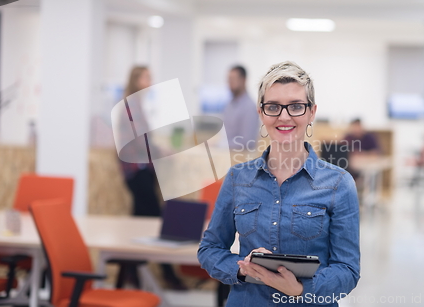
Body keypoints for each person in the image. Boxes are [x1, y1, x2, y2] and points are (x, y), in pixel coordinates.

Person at [198, 61, 360, 306]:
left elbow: (347, 270)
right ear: (261, 113)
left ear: (311, 112)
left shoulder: (339, 183)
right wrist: (243, 268)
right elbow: (209, 249)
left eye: (296, 106)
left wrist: (300, 289)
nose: (284, 117)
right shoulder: (237, 178)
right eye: (273, 107)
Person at [118, 66, 186, 290]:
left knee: (140, 222)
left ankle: (129, 274)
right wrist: (161, 151)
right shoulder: (131, 106)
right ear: (136, 80)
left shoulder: (136, 105)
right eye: (146, 77)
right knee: (156, 220)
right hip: (137, 171)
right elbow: (139, 141)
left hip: (143, 169)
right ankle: (167, 274)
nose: (150, 81)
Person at [223, 65, 259, 152]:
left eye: (233, 79)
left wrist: (222, 144)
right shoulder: (229, 105)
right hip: (226, 157)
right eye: (229, 80)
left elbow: (248, 142)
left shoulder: (250, 107)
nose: (230, 83)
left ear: (243, 80)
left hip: (241, 160)